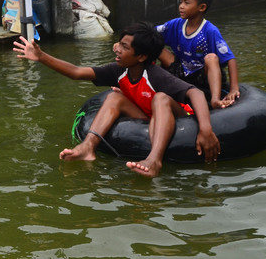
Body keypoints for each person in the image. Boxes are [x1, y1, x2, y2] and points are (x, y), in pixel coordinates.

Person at [13, 22, 219, 177]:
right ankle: (88, 147)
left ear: (141, 56)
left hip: (179, 116)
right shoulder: (119, 71)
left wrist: (205, 129)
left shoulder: (155, 74)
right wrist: (42, 57)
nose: (117, 49)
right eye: (119, 44)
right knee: (114, 97)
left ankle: (154, 161)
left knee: (161, 98)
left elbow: (196, 93)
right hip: (147, 116)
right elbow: (77, 72)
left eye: (125, 47)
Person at [156, 0, 239, 109]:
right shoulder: (176, 24)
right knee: (154, 46)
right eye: (181, 2)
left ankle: (215, 99)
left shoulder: (209, 30)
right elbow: (151, 33)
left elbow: (230, 59)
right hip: (182, 71)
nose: (181, 6)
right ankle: (146, 84)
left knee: (211, 58)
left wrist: (234, 88)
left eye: (186, 3)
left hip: (202, 75)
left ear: (201, 7)